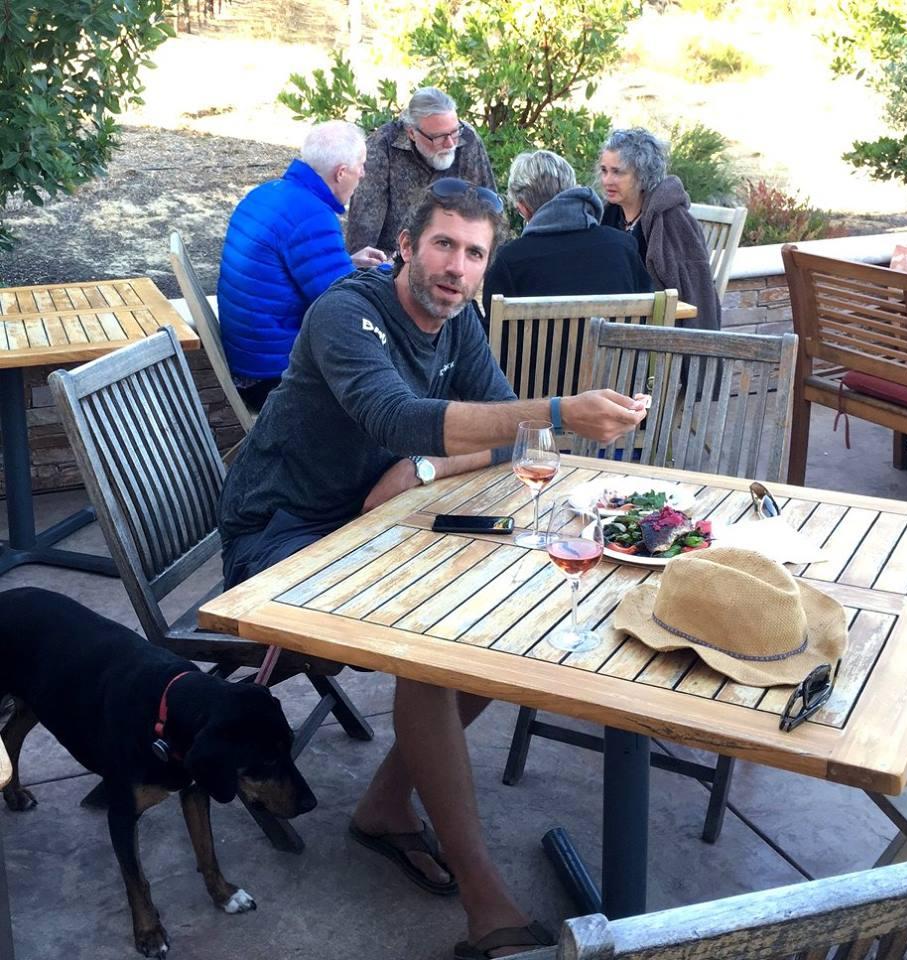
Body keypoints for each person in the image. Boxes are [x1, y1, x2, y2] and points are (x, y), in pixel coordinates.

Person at [219, 179, 648, 958]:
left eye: (474, 253)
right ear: (406, 247)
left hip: (376, 519)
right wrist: (557, 412)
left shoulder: (459, 322)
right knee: (430, 647)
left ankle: (387, 807)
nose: (457, 267)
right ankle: (486, 905)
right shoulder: (346, 313)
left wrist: (423, 469)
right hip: (281, 538)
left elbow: (503, 438)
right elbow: (397, 415)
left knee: (492, 621)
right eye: (444, 245)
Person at [217, 120, 387, 411]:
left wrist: (347, 262)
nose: (363, 173)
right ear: (341, 173)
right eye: (361, 165)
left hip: (250, 364)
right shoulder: (313, 216)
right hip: (273, 380)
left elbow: (292, 272)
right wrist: (393, 272)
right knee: (383, 379)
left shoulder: (268, 192)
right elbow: (345, 304)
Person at [482, 148, 652, 324]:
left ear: (523, 208)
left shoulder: (508, 261)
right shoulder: (623, 247)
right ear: (571, 189)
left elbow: (491, 336)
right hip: (614, 344)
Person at [345, 87, 497, 257]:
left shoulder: (467, 138)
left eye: (454, 132)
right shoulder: (381, 148)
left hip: (456, 255)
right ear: (411, 133)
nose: (450, 144)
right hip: (395, 260)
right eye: (438, 137)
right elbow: (363, 242)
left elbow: (489, 210)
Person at [599, 128, 721, 330]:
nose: (607, 180)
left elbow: (693, 293)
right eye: (604, 170)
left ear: (642, 175)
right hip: (613, 319)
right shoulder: (609, 214)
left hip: (654, 328)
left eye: (617, 172)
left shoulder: (672, 221)